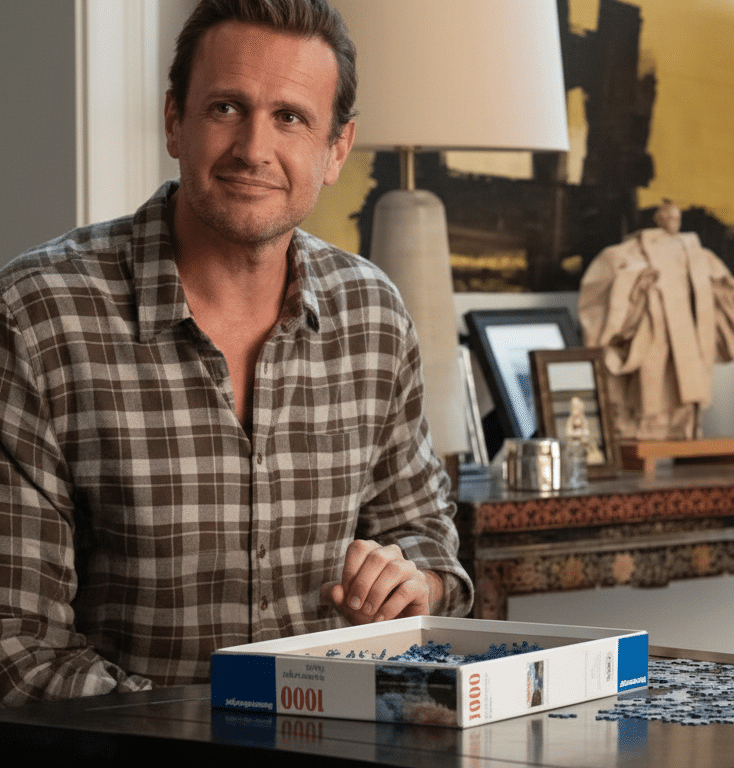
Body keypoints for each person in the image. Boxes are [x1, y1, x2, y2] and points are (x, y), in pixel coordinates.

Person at [0, 0, 472, 705]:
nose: (254, 148)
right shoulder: (37, 317)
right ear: (173, 122)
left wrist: (415, 583)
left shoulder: (373, 316)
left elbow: (429, 543)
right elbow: (18, 650)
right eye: (226, 108)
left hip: (343, 746)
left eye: (290, 117)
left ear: (337, 149)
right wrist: (227, 729)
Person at [577, 200, 734, 441]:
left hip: (688, 360)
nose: (672, 220)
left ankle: (681, 424)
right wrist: (638, 291)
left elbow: (728, 300)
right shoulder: (618, 257)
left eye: (675, 215)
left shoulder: (701, 258)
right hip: (643, 363)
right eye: (666, 215)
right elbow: (600, 325)